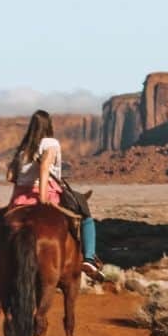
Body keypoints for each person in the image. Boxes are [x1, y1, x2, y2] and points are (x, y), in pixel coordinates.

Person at [7, 109, 104, 281]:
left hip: (19, 198)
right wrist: (43, 198)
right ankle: (89, 258)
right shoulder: (50, 143)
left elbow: (11, 177)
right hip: (47, 193)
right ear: (48, 125)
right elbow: (44, 167)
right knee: (86, 218)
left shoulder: (22, 149)